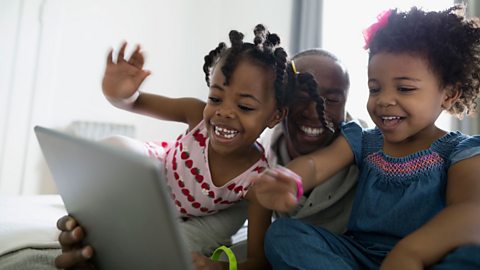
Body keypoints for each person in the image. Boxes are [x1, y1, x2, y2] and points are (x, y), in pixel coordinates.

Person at [253, 6, 480, 269]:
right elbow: (317, 165)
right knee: (283, 233)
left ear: (449, 95)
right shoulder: (363, 141)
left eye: (405, 88)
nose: (384, 100)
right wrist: (291, 179)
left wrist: (410, 252)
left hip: (425, 259)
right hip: (356, 257)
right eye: (375, 88)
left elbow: (471, 213)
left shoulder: (460, 152)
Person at [54, 24, 297, 270]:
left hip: (195, 218)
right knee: (114, 146)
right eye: (215, 98)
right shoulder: (196, 115)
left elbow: (258, 261)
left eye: (245, 107)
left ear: (275, 116)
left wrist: (218, 267)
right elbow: (134, 102)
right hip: (158, 175)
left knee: (169, 256)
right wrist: (118, 94)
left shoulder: (258, 181)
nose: (224, 111)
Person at [261, 48, 365, 233]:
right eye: (301, 97)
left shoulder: (366, 146)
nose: (314, 112)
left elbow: (313, 167)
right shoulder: (264, 148)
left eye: (332, 100)